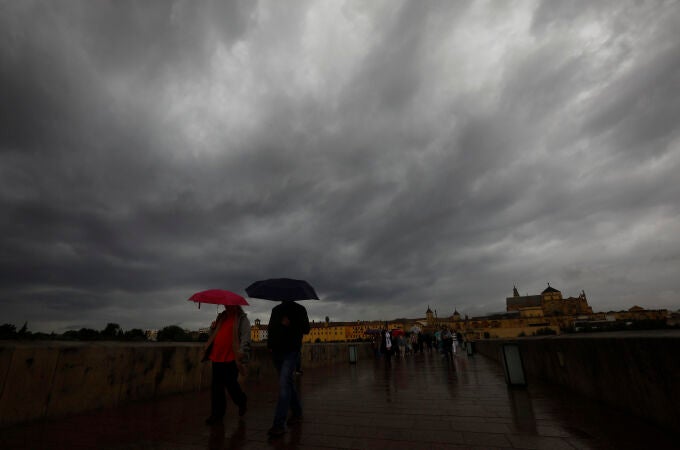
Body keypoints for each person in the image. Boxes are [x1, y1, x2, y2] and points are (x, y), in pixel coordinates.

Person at [266, 300, 310, 437]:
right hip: (277, 352)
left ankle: (278, 424)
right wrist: (270, 345)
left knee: (284, 385)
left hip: (291, 352)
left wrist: (291, 324)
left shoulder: (300, 309)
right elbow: (271, 328)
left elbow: (306, 329)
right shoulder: (276, 310)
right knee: (288, 384)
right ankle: (297, 413)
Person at [202, 305, 251, 426]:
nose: (226, 306)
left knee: (231, 384)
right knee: (216, 387)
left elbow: (246, 336)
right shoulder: (221, 317)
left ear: (235, 305)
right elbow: (213, 334)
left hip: (231, 357)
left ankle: (241, 400)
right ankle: (217, 414)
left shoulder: (241, 319)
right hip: (217, 356)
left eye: (229, 305)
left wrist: (242, 351)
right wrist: (212, 328)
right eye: (225, 304)